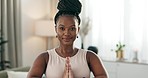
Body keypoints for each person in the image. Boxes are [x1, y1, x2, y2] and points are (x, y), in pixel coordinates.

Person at [27, 0, 108, 78]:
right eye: (62, 28)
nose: (67, 33)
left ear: (78, 30)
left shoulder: (89, 57)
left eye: (72, 29)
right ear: (56, 29)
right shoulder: (45, 58)